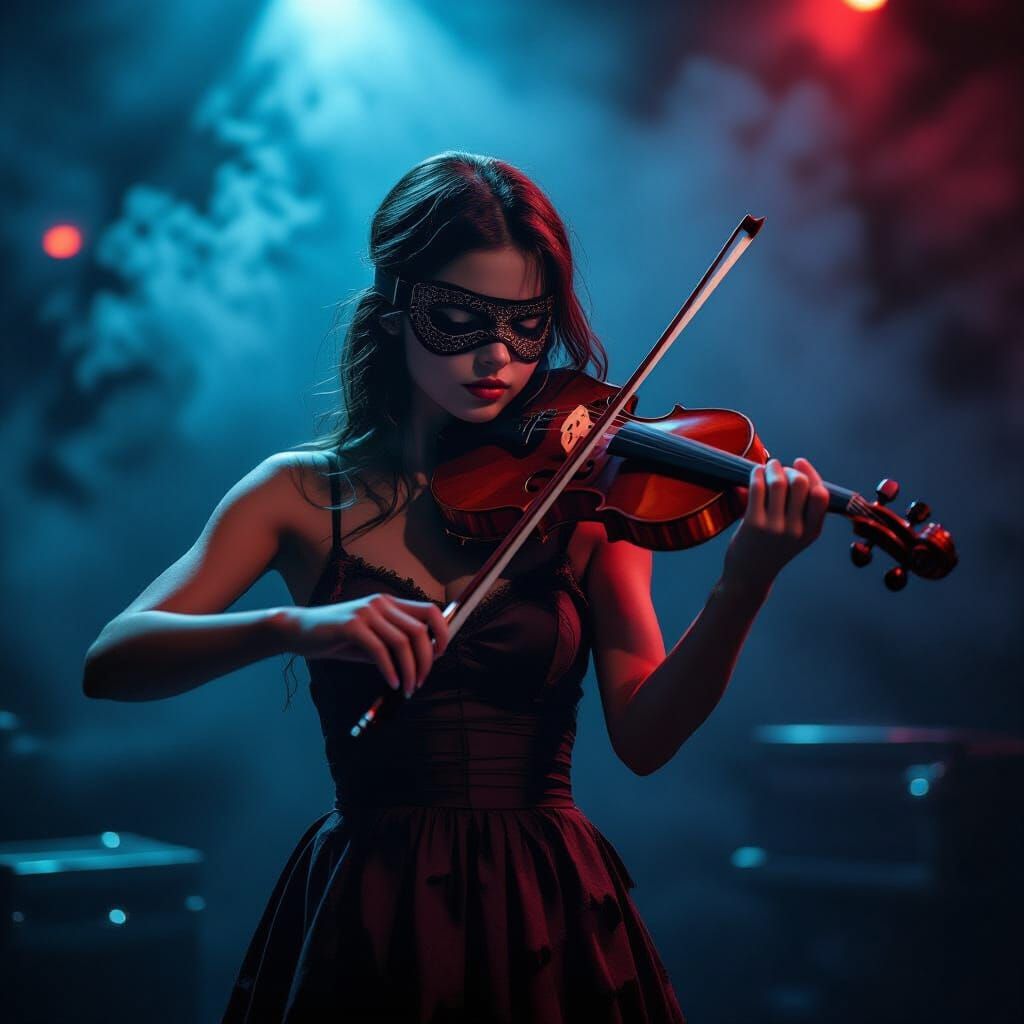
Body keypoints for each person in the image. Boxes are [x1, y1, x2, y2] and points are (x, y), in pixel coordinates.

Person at [82, 152, 829, 1023]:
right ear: (393, 310)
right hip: (372, 906)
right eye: (460, 319)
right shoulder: (298, 493)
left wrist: (744, 584)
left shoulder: (590, 501)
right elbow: (112, 661)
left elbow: (646, 737)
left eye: (527, 325)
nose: (496, 356)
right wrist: (297, 626)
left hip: (550, 905)